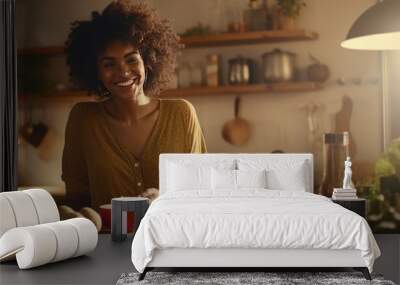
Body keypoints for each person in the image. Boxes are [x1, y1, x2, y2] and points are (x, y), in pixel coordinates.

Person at [61, 1, 207, 211]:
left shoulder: (182, 114)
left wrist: (165, 200)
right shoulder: (83, 119)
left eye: (131, 60)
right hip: (105, 242)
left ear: (147, 60)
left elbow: (201, 190)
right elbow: (76, 198)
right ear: (95, 72)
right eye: (109, 64)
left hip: (171, 239)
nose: (123, 72)